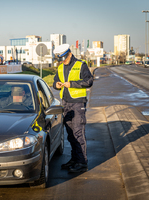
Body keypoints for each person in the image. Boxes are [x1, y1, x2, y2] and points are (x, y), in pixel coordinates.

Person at [53, 44, 93, 173]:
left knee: (78, 133)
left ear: (69, 53)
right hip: (66, 103)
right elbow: (55, 82)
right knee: (70, 134)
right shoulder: (60, 67)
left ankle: (82, 163)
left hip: (77, 104)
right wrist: (57, 85)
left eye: (63, 58)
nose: (62, 61)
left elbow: (89, 81)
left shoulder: (81, 65)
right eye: (60, 59)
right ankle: (75, 159)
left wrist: (72, 84)